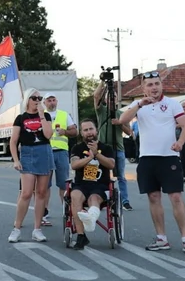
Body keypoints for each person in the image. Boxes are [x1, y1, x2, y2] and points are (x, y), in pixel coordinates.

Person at [119, 70, 185, 254]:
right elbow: (122, 120)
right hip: (147, 158)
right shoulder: (138, 105)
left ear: (161, 85)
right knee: (153, 197)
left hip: (169, 157)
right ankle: (161, 238)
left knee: (176, 197)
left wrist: (180, 142)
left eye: (156, 84)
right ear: (144, 88)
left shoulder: (172, 103)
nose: (154, 88)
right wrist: (139, 104)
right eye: (150, 85)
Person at [8, 88, 53, 243]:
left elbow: (48, 135)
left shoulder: (45, 115)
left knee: (41, 193)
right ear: (27, 99)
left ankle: (37, 229)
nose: (37, 100)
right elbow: (13, 141)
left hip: (43, 152)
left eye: (39, 98)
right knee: (26, 193)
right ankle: (16, 228)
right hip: (27, 153)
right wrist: (16, 160)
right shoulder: (20, 118)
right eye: (34, 98)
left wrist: (41, 114)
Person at [68, 120, 115, 250]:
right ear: (81, 133)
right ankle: (81, 236)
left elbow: (111, 165)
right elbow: (74, 165)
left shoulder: (106, 148)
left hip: (100, 184)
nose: (89, 132)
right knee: (75, 195)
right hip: (81, 184)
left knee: (94, 198)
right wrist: (89, 158)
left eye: (91, 129)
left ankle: (91, 216)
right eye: (85, 130)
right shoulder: (77, 148)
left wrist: (97, 154)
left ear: (96, 130)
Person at [93, 80, 133, 210]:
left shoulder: (122, 114)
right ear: (106, 100)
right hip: (103, 148)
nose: (111, 100)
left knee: (121, 176)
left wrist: (120, 123)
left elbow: (129, 132)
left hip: (118, 149)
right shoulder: (101, 111)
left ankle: (124, 200)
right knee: (100, 175)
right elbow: (96, 96)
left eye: (114, 98)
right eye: (109, 98)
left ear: (116, 100)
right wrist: (102, 82)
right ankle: (100, 198)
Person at [43, 94, 77, 226]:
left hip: (61, 152)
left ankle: (66, 211)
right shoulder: (42, 115)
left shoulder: (64, 115)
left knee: (64, 183)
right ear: (45, 102)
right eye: (49, 100)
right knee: (45, 185)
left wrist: (66, 132)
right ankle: (44, 212)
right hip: (46, 152)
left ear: (57, 101)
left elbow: (75, 131)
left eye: (53, 100)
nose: (52, 103)